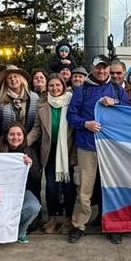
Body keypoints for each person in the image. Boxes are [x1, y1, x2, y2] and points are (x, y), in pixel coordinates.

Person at [68, 57, 130, 244]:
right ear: (92, 69)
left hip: (111, 148)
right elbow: (71, 115)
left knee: (111, 187)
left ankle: (112, 225)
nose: (102, 72)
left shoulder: (117, 89)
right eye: (98, 68)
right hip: (87, 146)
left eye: (105, 69)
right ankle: (79, 225)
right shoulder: (82, 90)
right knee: (84, 189)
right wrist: (85, 124)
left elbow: (130, 112)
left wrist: (116, 103)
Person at [36, 74, 75, 233]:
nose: (55, 88)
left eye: (58, 85)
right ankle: (52, 218)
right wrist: (23, 142)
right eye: (51, 85)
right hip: (50, 152)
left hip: (68, 151)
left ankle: (68, 219)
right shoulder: (42, 104)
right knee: (51, 187)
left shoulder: (71, 101)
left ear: (63, 86)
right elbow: (37, 129)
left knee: (68, 187)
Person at [0, 123, 42, 243]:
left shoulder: (29, 152)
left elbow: (37, 177)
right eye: (12, 134)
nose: (15, 137)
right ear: (6, 136)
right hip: (0, 193)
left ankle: (19, 232)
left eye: (19, 134)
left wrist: (31, 165)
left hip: (22, 192)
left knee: (34, 207)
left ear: (24, 136)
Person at [0, 66, 40, 146]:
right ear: (6, 82)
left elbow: (37, 124)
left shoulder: (34, 97)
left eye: (15, 76)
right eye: (9, 78)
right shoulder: (0, 99)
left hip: (30, 143)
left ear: (21, 79)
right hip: (6, 144)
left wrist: (27, 142)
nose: (13, 79)